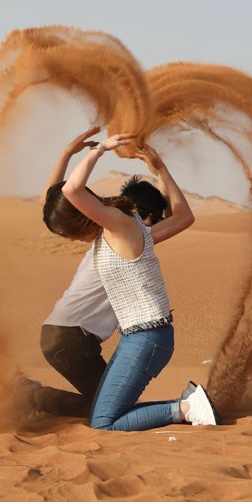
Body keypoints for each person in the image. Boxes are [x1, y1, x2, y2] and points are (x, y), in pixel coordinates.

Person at [42, 131, 218, 430]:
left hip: (133, 335)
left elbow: (71, 194)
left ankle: (187, 408)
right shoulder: (115, 231)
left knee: (103, 415)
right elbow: (61, 200)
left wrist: (96, 150)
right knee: (104, 412)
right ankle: (187, 406)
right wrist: (157, 167)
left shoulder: (124, 228)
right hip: (93, 336)